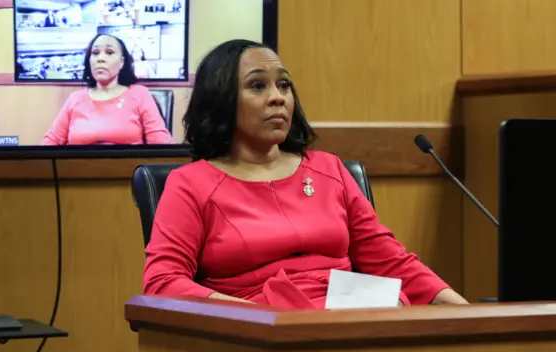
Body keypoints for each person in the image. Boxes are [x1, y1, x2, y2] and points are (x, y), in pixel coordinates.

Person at [142, 39, 469, 309]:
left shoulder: (329, 170)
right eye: (257, 86)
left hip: (355, 313)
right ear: (221, 100)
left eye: (284, 85)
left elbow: (392, 263)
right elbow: (163, 281)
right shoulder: (191, 183)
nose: (278, 97)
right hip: (260, 327)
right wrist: (253, 317)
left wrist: (466, 314)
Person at [42, 34, 172, 145]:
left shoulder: (139, 94)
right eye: (95, 53)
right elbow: (51, 141)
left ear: (121, 62)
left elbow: (160, 143)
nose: (100, 58)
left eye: (109, 53)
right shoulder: (75, 99)